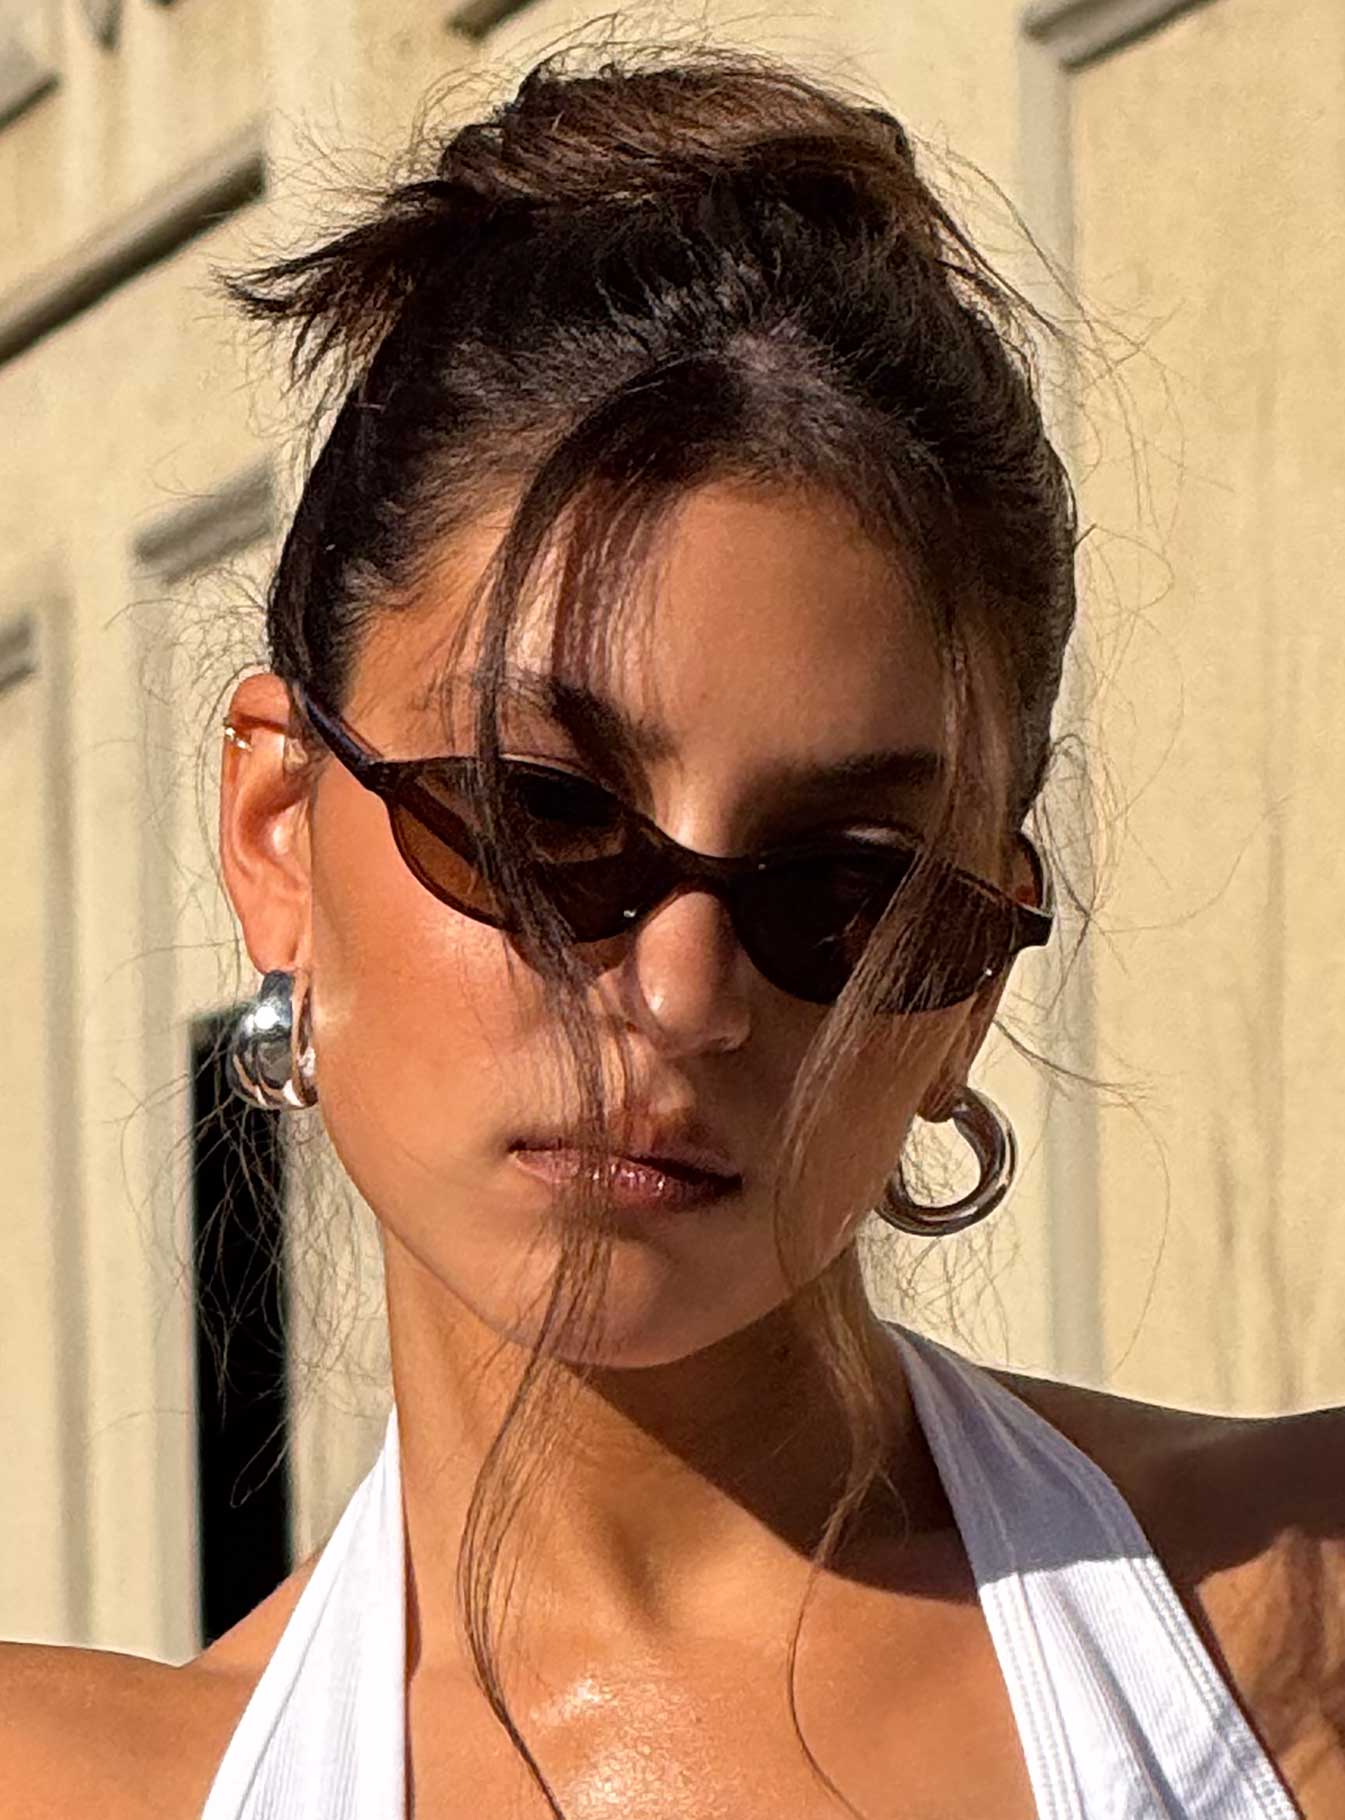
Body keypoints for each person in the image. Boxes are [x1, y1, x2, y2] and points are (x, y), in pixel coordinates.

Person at [4, 42, 1342, 1820]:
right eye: (541, 818)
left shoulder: (1296, 1622)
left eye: (844, 883)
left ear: (965, 986)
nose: (685, 990)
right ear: (276, 835)